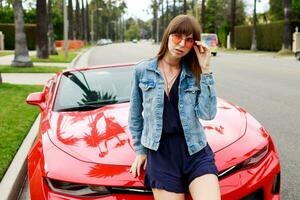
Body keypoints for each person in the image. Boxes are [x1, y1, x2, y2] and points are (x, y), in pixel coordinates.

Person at [128, 14, 221, 200]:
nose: (181, 44)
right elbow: (135, 115)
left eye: (188, 41)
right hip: (160, 153)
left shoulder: (194, 73)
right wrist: (139, 150)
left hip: (195, 148)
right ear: (168, 35)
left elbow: (208, 114)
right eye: (178, 37)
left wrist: (206, 70)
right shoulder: (142, 70)